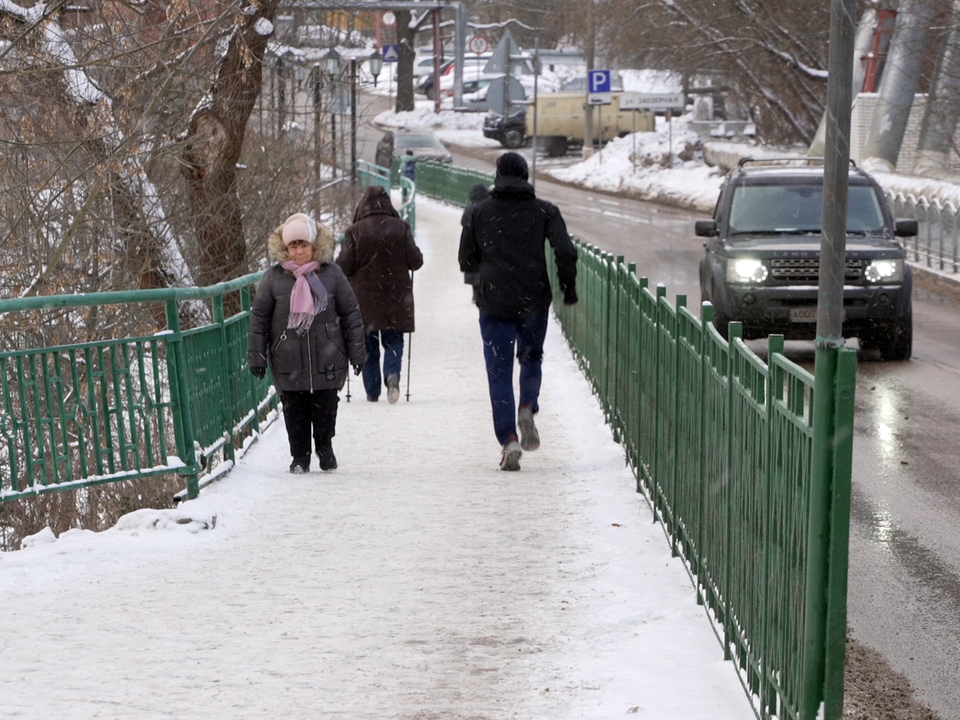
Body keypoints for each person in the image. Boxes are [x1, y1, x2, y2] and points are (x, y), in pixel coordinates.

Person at [458, 152, 578, 471]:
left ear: (497, 175)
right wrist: (569, 287)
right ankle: (527, 406)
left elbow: (465, 261)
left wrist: (484, 273)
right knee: (531, 358)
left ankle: (509, 439)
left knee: (498, 372)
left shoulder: (478, 212)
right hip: (533, 301)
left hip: (494, 302)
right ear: (525, 175)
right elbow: (566, 252)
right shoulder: (544, 211)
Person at [248, 213, 366, 474]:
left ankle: (325, 447)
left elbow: (350, 314)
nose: (299, 251)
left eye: (304, 245)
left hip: (329, 358)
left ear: (314, 246)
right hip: (288, 359)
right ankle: (299, 456)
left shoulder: (332, 274)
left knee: (326, 409)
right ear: (285, 248)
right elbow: (259, 319)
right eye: (293, 246)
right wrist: (256, 356)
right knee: (295, 413)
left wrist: (357, 353)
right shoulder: (274, 278)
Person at [337, 186, 424, 404]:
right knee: (394, 340)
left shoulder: (354, 232)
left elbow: (343, 267)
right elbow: (416, 261)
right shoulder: (401, 228)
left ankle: (372, 391)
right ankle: (392, 375)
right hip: (396, 298)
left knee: (368, 346)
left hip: (365, 301)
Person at [461, 183, 490, 304]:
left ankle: (475, 293)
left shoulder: (469, 209)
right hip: (485, 246)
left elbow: (464, 223)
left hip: (472, 247)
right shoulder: (486, 209)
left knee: (474, 272)